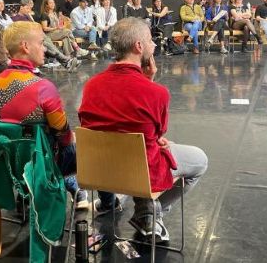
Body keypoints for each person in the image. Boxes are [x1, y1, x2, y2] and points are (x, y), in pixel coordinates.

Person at [78, 18, 208, 240]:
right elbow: (158, 133)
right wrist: (150, 81)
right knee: (199, 160)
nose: (154, 44)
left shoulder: (91, 85)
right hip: (140, 172)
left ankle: (125, 204)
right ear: (138, 46)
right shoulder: (157, 93)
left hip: (99, 170)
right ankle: (152, 213)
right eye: (150, 40)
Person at [0, 21, 88, 208]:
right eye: (41, 43)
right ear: (25, 46)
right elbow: (63, 136)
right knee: (84, 145)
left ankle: (28, 190)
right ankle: (84, 192)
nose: (45, 49)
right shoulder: (43, 87)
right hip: (42, 164)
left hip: (8, 164)